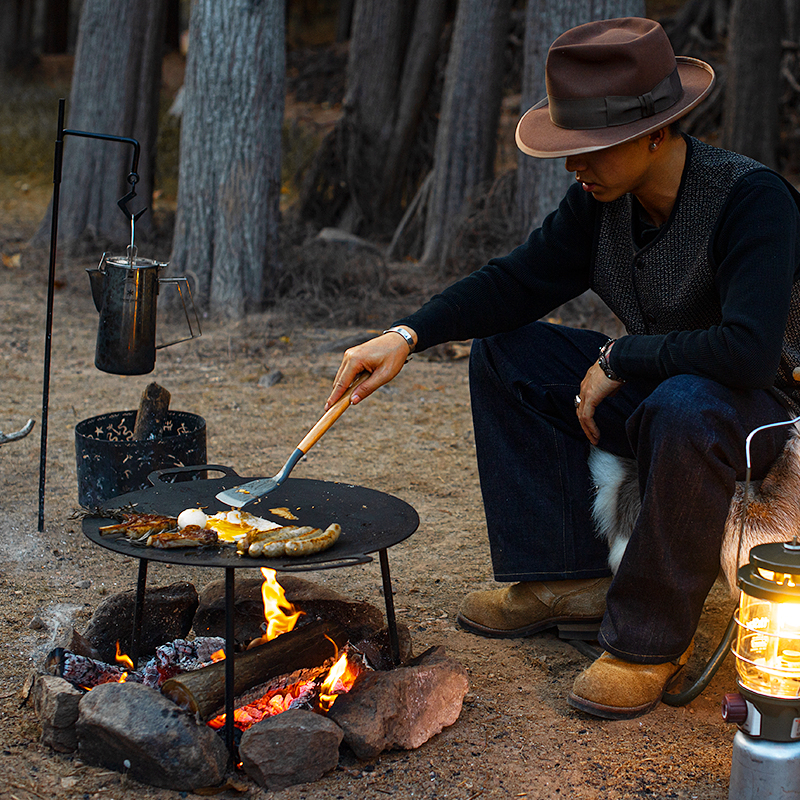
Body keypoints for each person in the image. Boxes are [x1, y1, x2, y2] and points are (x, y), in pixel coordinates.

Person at [325, 17, 800, 720]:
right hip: (671, 386)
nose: (574, 164)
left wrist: (623, 356)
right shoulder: (601, 203)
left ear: (656, 133)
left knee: (685, 403)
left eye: (592, 149)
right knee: (505, 350)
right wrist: (407, 333)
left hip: (765, 406)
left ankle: (646, 642)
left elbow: (752, 350)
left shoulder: (751, 200)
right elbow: (515, 281)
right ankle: (564, 578)